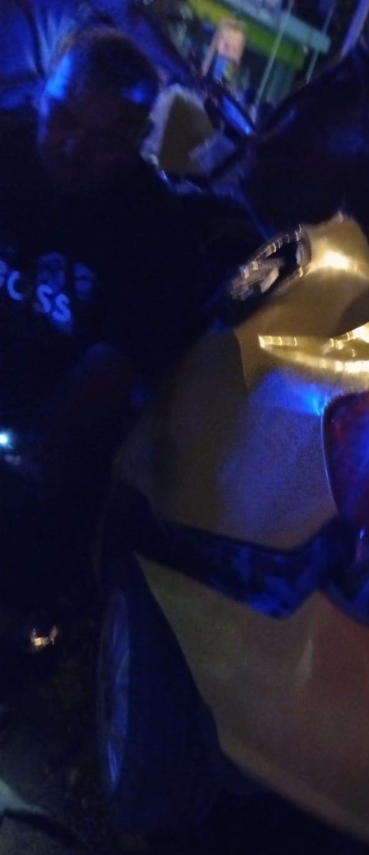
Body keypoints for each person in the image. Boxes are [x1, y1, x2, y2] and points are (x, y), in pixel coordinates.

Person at [0, 27, 260, 633]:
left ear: (140, 139)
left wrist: (42, 450)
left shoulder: (154, 237)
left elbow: (112, 369)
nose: (71, 146)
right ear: (43, 93)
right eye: (63, 116)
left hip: (41, 436)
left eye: (104, 141)